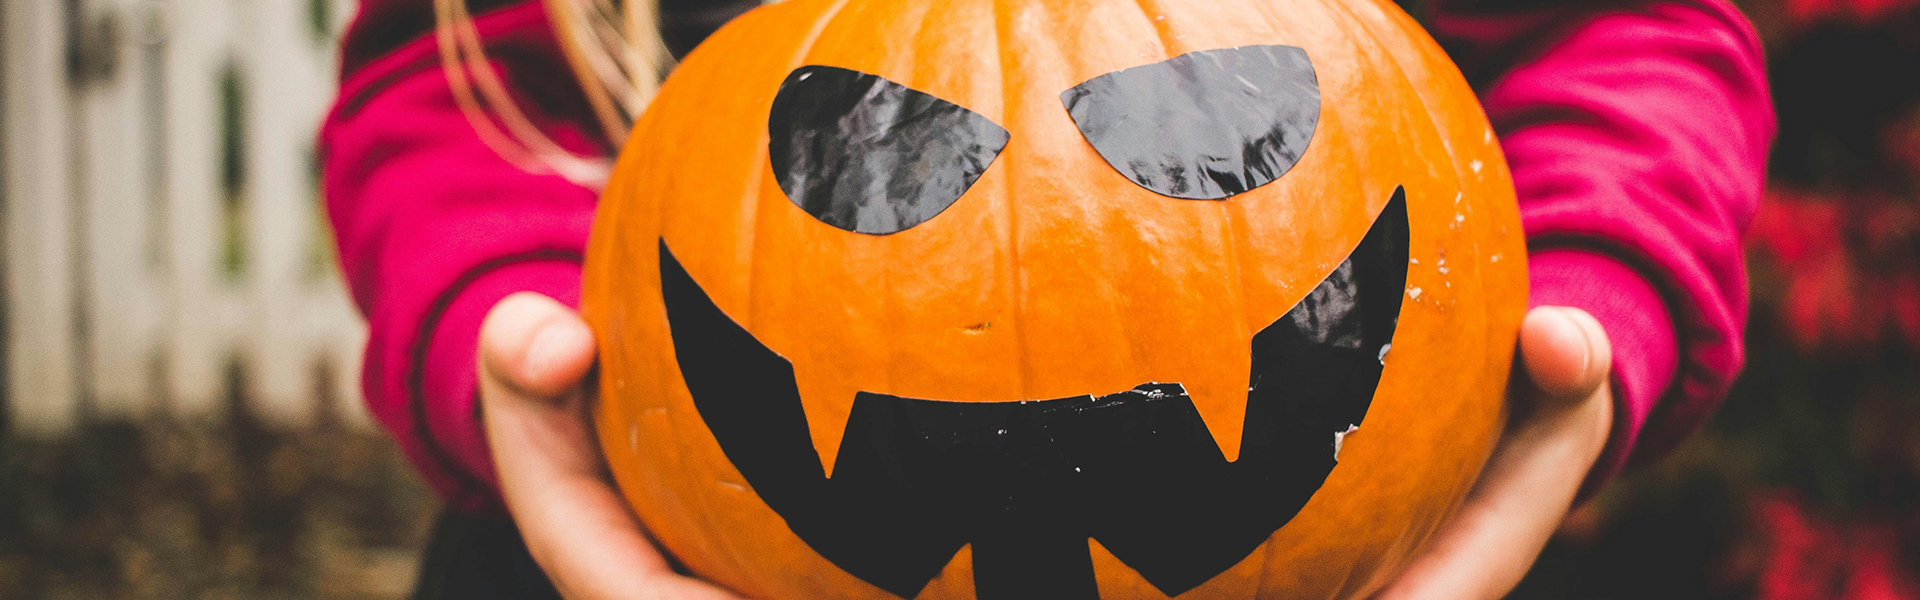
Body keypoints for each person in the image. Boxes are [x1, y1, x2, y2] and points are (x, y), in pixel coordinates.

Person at [320, 0, 1774, 597]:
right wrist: (509, 329)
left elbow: (1628, 29)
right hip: (632, 547)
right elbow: (454, 76)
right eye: (863, 155)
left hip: (1386, 551)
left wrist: (1588, 287)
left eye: (1206, 135)